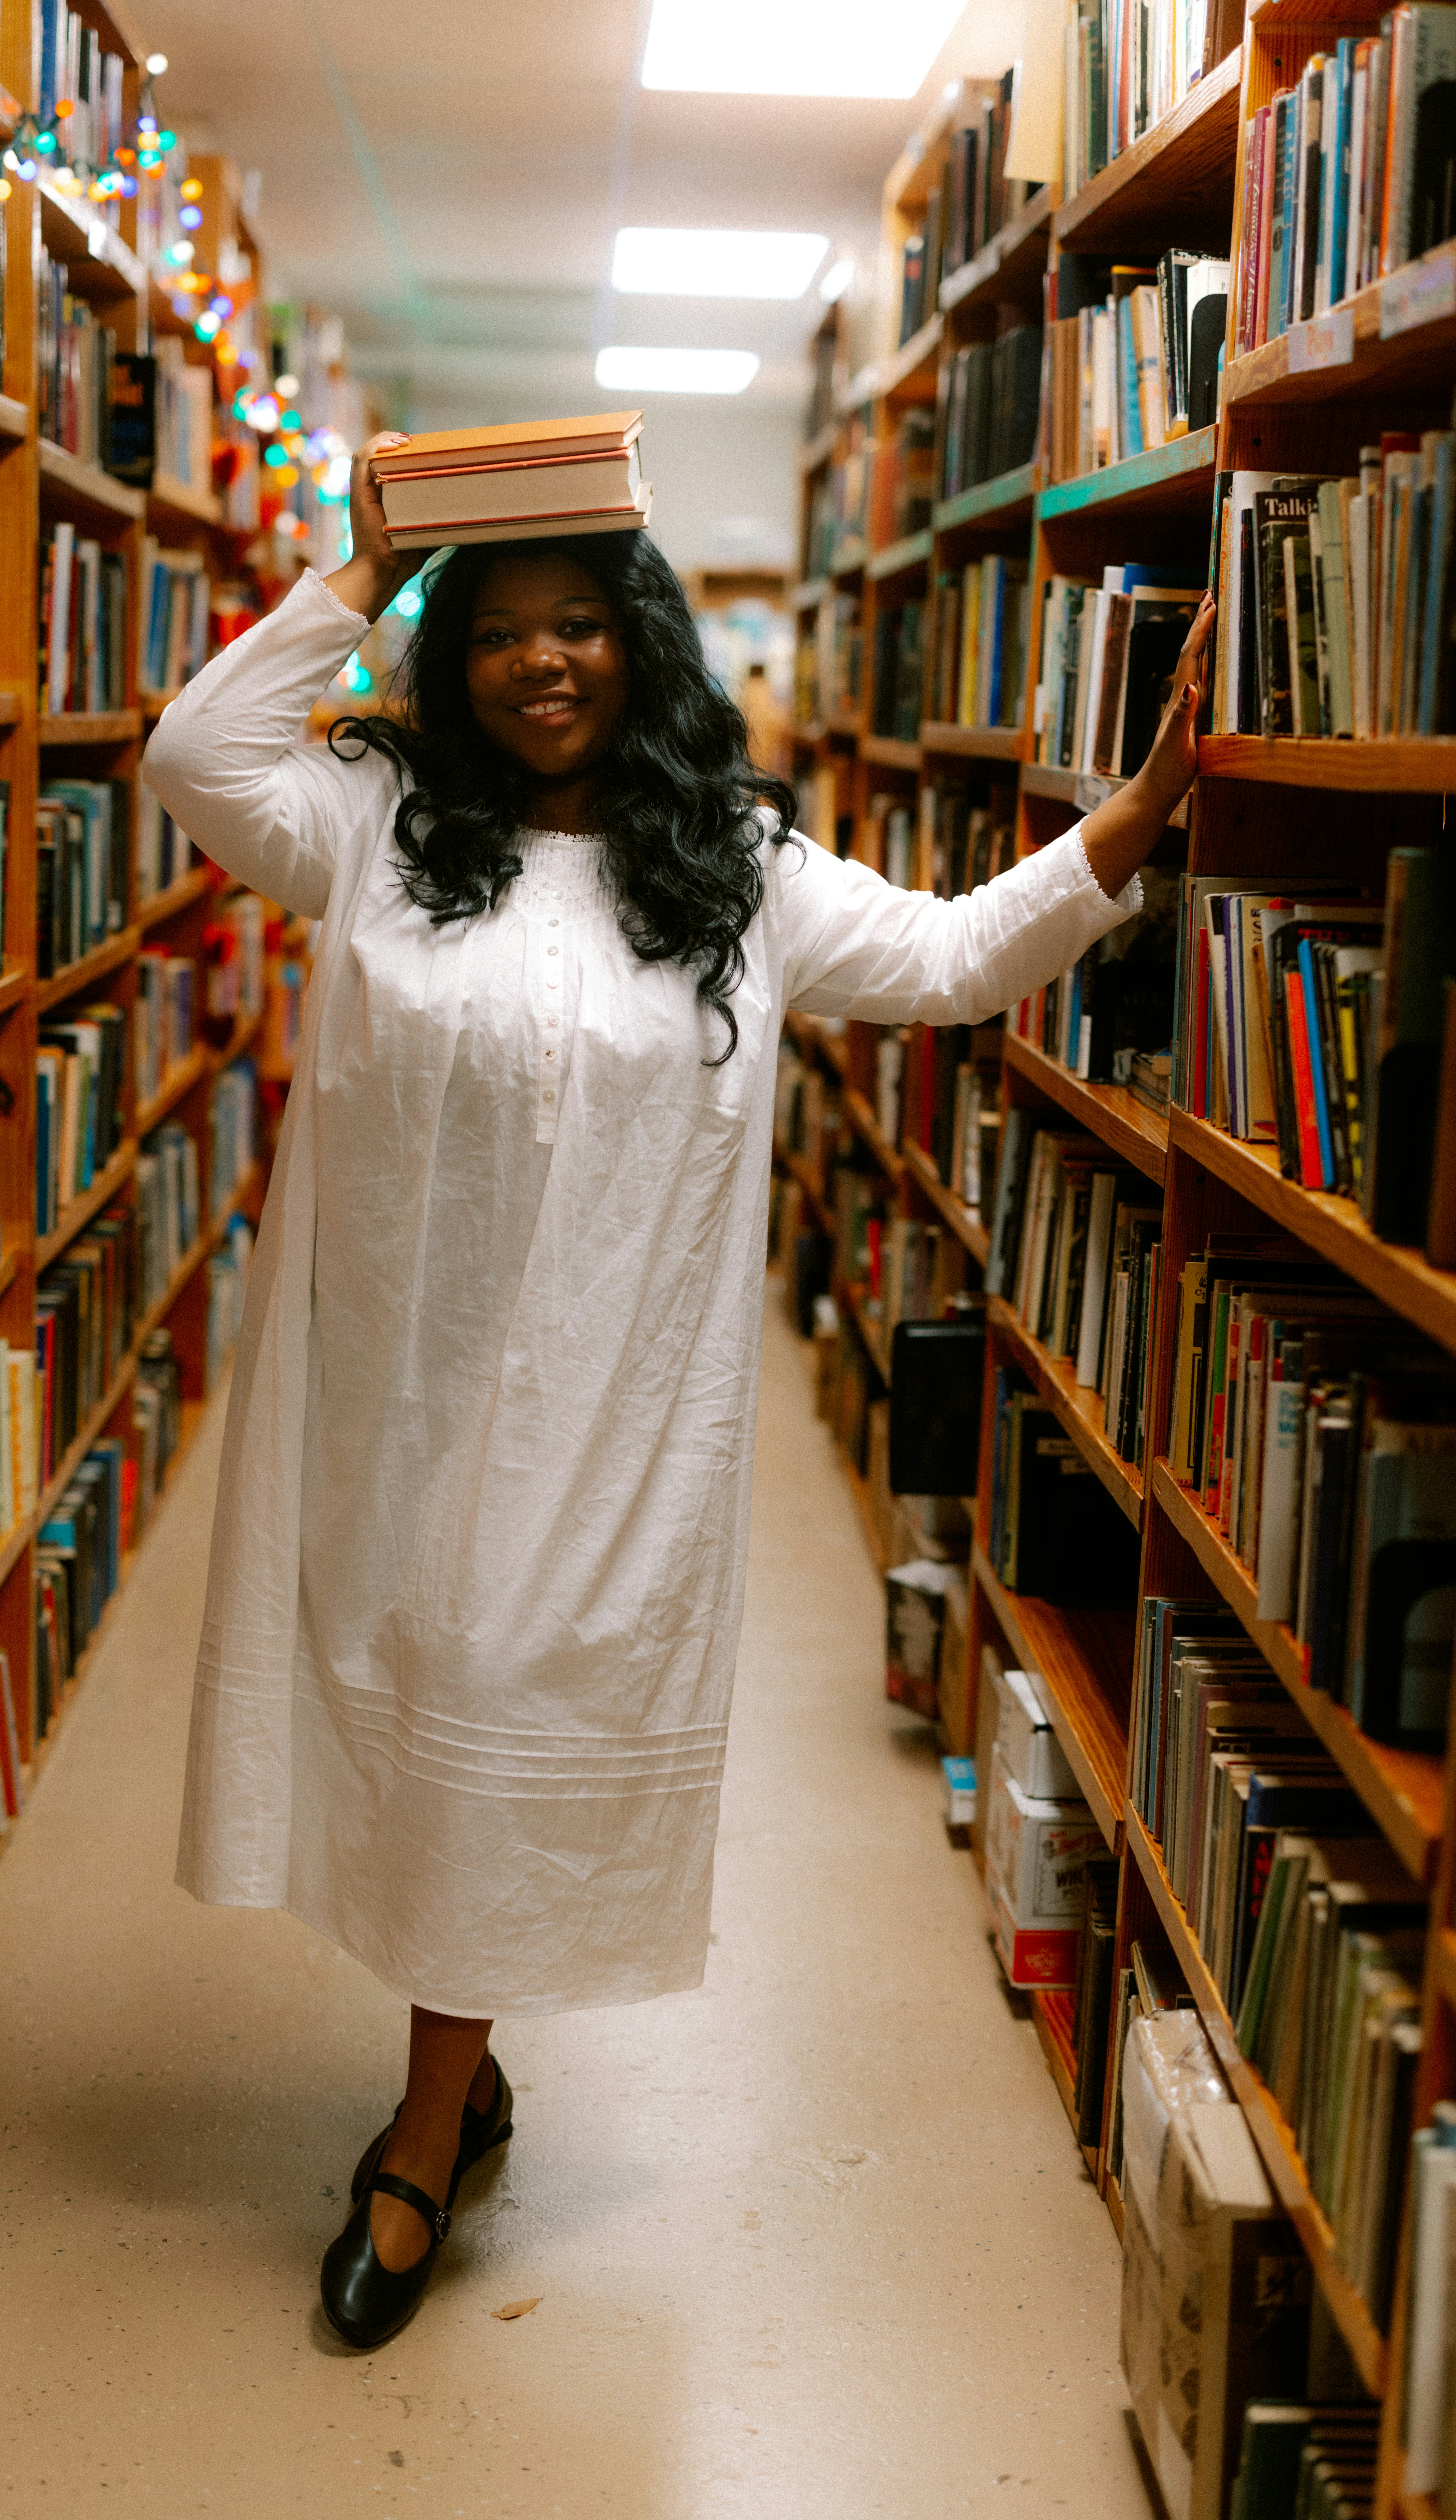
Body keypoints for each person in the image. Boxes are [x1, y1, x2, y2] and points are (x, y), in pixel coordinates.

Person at [143, 434, 1212, 2352]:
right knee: (421, 1719)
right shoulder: (369, 828)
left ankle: (422, 2130)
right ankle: (453, 2100)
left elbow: (960, 961)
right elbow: (196, 756)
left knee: (491, 1699)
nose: (542, 664)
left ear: (640, 647)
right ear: (446, 659)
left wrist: (1131, 815)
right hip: (400, 1400)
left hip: (609, 1429)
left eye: (580, 628)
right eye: (497, 636)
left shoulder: (738, 873)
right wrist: (360, 568)